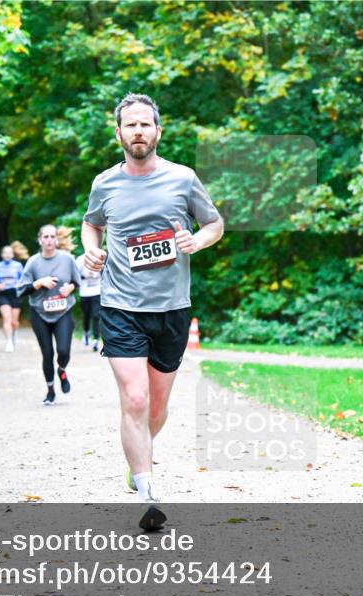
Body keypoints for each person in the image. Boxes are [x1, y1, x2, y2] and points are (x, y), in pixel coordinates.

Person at [81, 93, 224, 530]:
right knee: (136, 398)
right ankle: (146, 493)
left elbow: (214, 224)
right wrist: (91, 250)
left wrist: (195, 242)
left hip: (172, 308)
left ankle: (135, 457)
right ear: (118, 133)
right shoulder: (105, 183)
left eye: (146, 124)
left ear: (158, 131)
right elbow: (92, 222)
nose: (138, 132)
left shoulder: (183, 179)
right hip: (121, 304)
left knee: (157, 406)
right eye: (131, 125)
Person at [17, 225, 81, 405]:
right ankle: (50, 390)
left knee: (63, 351)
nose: (49, 240)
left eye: (53, 236)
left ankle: (62, 369)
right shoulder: (33, 262)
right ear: (40, 240)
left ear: (57, 239)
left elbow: (76, 282)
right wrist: (39, 283)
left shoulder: (67, 259)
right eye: (45, 237)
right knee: (47, 353)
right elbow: (21, 290)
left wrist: (70, 288)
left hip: (63, 312)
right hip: (40, 313)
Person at [0, 245, 24, 353]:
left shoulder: (18, 265)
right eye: (5, 253)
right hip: (3, 294)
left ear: (13, 255)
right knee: (6, 318)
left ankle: (13, 333)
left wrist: (18, 284)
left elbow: (23, 280)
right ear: (2, 255)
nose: (8, 255)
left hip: (15, 294)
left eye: (10, 253)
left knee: (14, 321)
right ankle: (9, 341)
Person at [76, 251, 101, 351]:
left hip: (97, 291)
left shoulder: (100, 256)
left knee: (96, 315)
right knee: (86, 315)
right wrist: (85, 276)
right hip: (85, 292)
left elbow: (105, 273)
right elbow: (75, 275)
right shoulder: (80, 259)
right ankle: (86, 333)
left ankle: (95, 340)